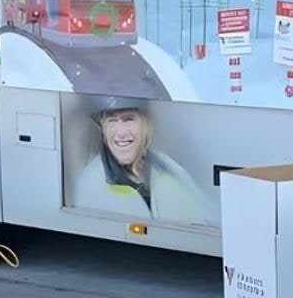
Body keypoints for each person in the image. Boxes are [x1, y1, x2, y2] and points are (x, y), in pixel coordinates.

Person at [69, 97, 215, 226]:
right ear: (103, 130)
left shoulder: (167, 166)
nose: (121, 133)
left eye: (129, 120)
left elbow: (208, 216)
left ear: (146, 125)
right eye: (112, 121)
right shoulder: (91, 183)